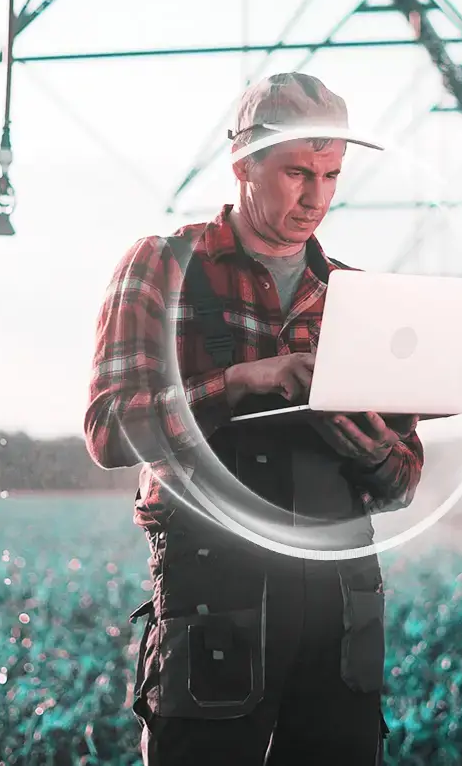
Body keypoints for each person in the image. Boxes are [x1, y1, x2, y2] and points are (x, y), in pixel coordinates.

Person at [84, 72, 425, 764]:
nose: (317, 197)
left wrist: (371, 449)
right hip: (216, 608)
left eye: (332, 175)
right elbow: (109, 428)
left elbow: (401, 484)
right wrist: (243, 382)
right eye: (298, 172)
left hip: (339, 612)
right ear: (242, 164)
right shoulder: (160, 268)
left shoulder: (359, 299)